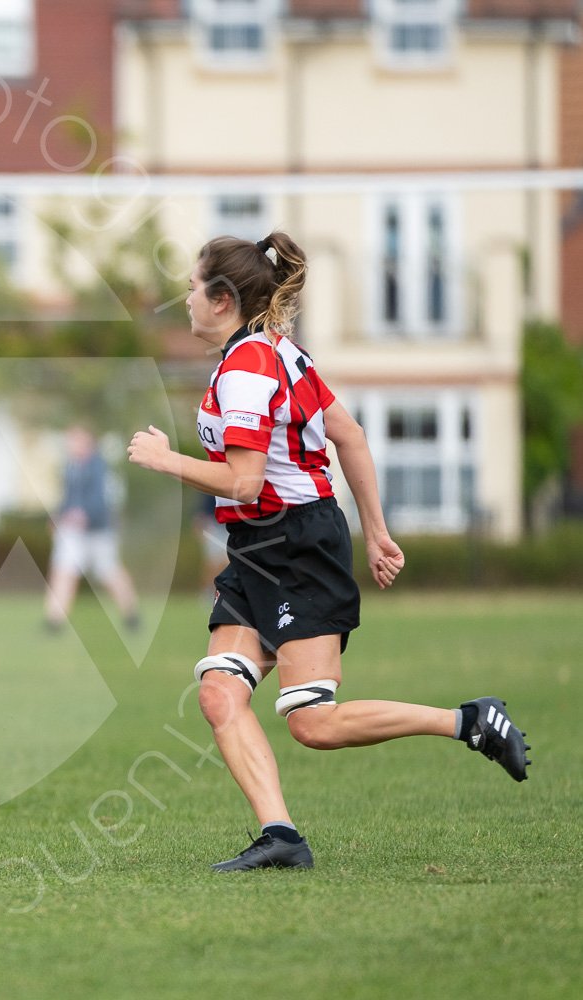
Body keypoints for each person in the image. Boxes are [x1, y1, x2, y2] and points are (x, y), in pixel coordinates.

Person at [126, 231, 532, 872]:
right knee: (218, 694)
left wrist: (166, 458)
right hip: (259, 548)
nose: (186, 298)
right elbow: (349, 434)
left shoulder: (251, 368)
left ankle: (470, 721)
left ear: (224, 299)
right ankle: (280, 835)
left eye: (194, 287)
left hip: (295, 546)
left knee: (311, 722)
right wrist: (374, 529)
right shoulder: (271, 355)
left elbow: (244, 480)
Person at [42, 425, 140, 632]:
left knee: (109, 571)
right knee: (63, 570)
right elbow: (67, 497)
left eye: (75, 441)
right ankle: (54, 620)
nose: (71, 446)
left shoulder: (99, 467)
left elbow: (102, 500)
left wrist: (84, 514)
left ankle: (131, 613)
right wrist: (58, 517)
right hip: (73, 531)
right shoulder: (71, 467)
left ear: (87, 444)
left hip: (99, 530)